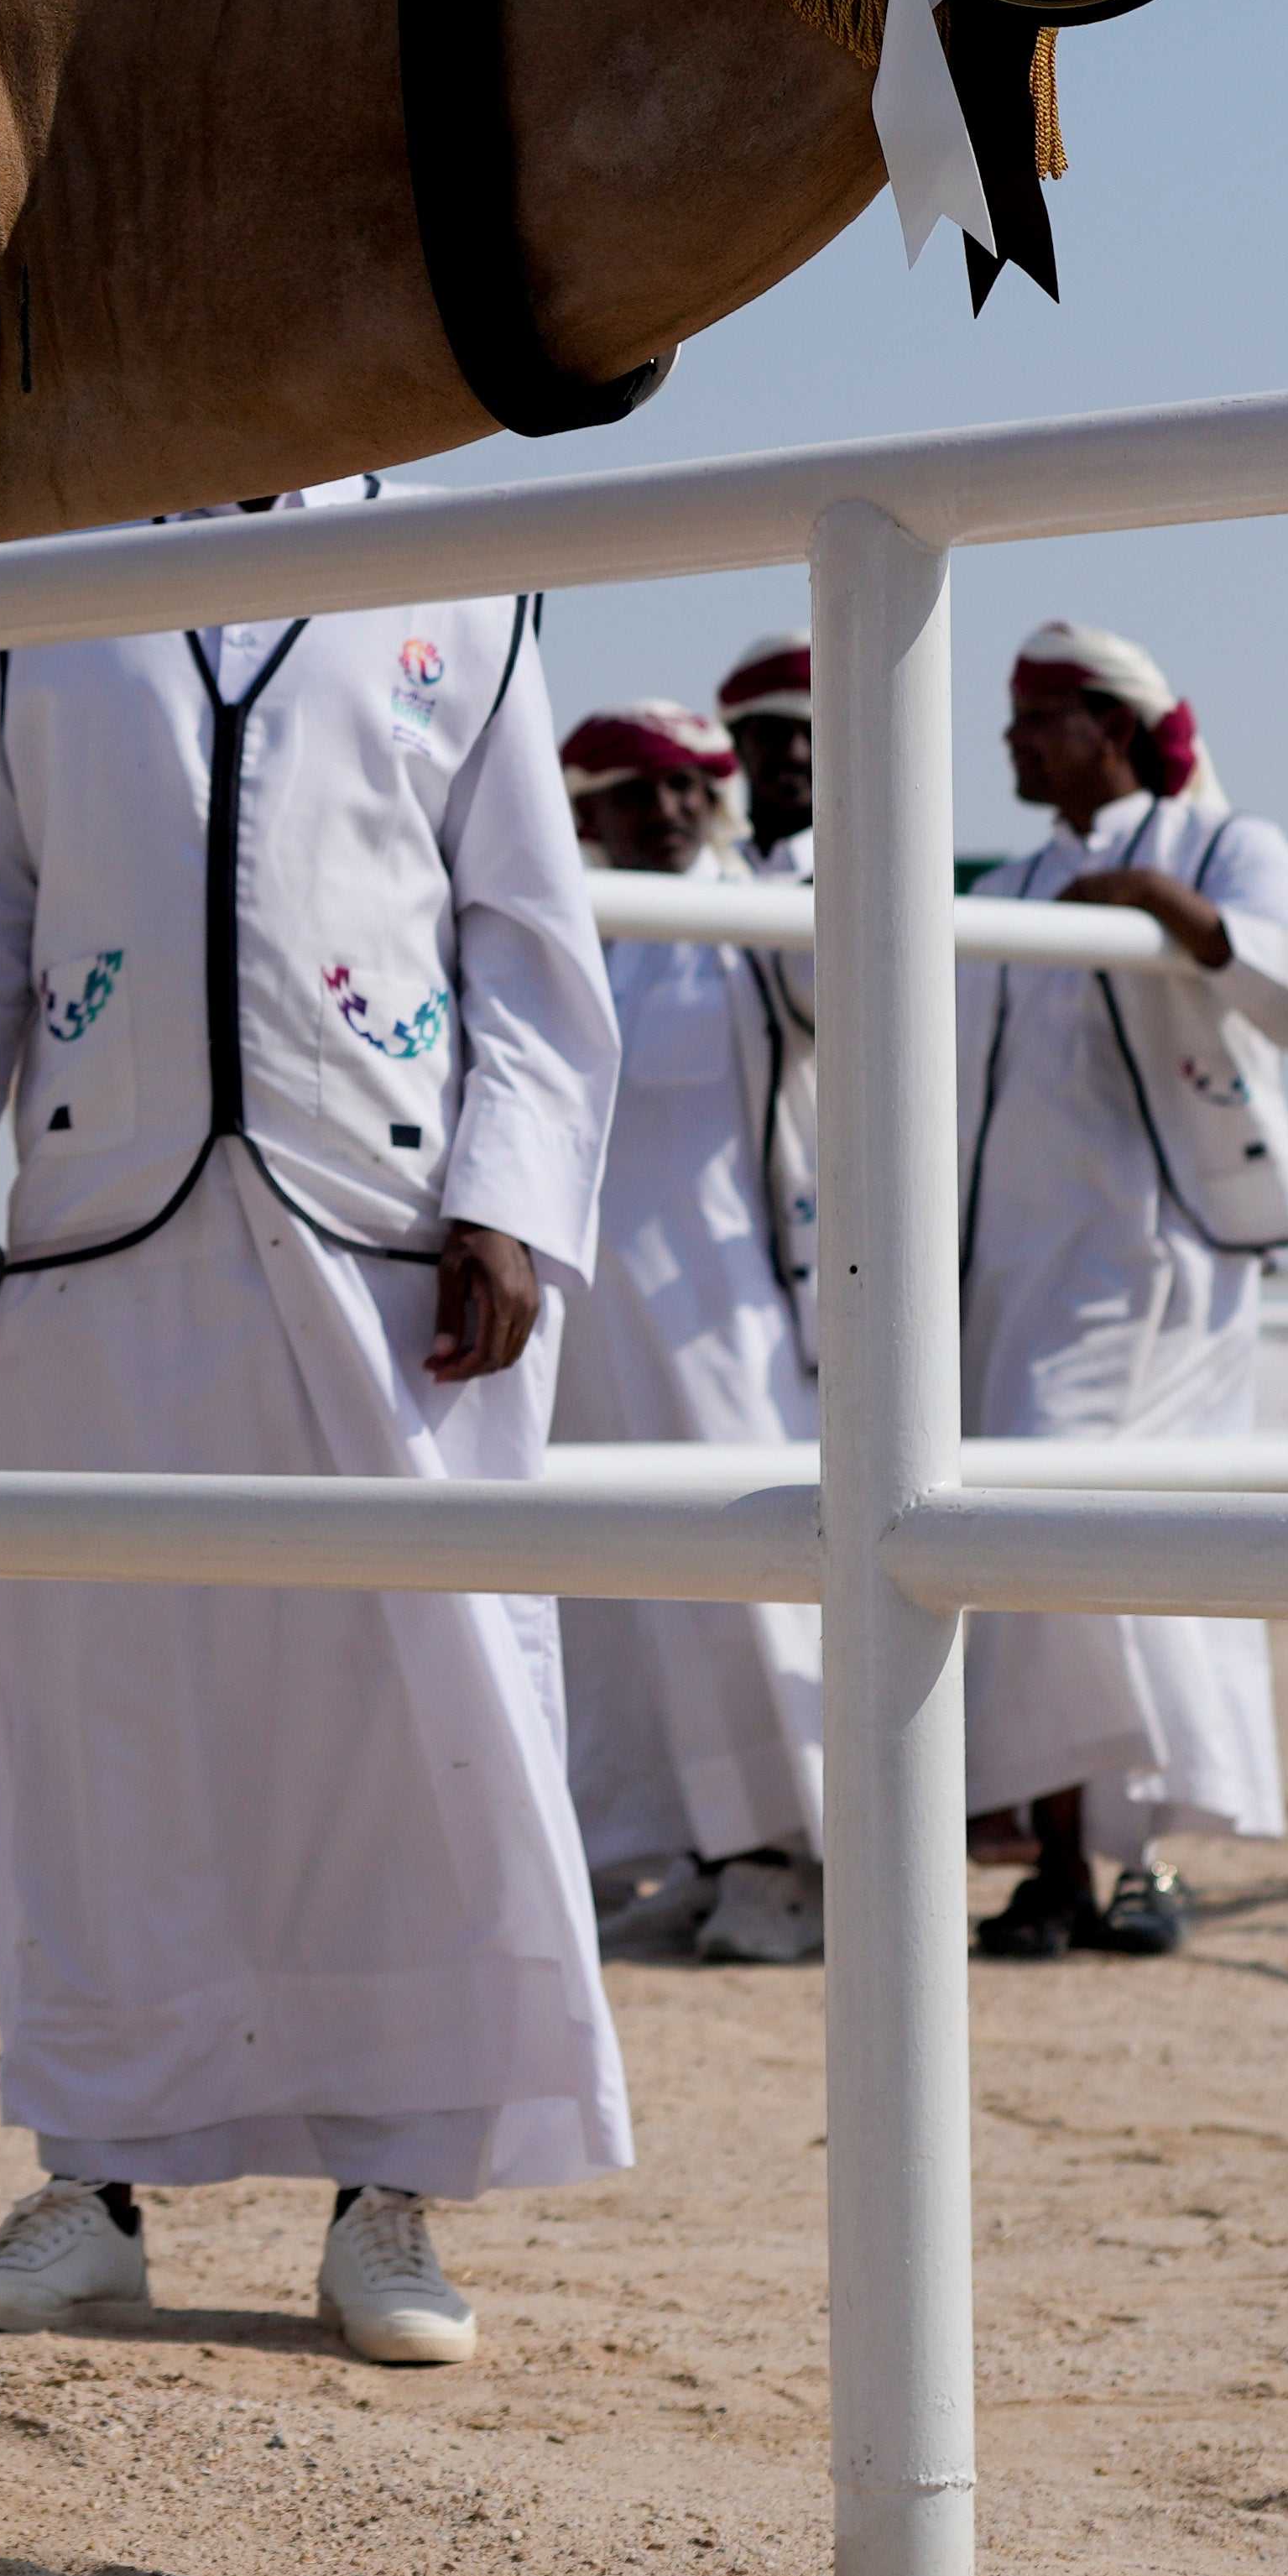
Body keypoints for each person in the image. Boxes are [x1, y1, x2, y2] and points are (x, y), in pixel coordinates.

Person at [0, 496, 623, 2370]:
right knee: (103, 1708)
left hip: (389, 1239)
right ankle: (89, 2186)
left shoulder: (457, 571)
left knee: (404, 1708)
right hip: (108, 1239)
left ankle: (389, 2191)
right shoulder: (38, 586)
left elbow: (521, 929)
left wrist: (506, 1198)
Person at [955, 621, 1288, 1960]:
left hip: (1166, 1270)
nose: (1010, 739)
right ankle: (1061, 1859)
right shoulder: (1002, 881)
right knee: (1016, 1549)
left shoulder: (1225, 845)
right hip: (1020, 1270)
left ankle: (1149, 1856)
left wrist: (1165, 910)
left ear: (1111, 723)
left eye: (1035, 715)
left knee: (1141, 1551)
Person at [545, 707, 824, 1967]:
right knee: (620, 1592)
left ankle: (797, 1857)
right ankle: (691, 1846)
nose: (660, 811)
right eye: (629, 790)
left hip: (725, 1304)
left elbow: (838, 992)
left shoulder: (761, 909)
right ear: (584, 812)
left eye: (681, 786)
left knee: (745, 1580)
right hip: (593, 1322)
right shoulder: (577, 932)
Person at [712, 636, 816, 865]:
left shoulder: (878, 873)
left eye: (815, 734)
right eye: (774, 733)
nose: (796, 754)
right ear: (735, 741)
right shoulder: (708, 872)